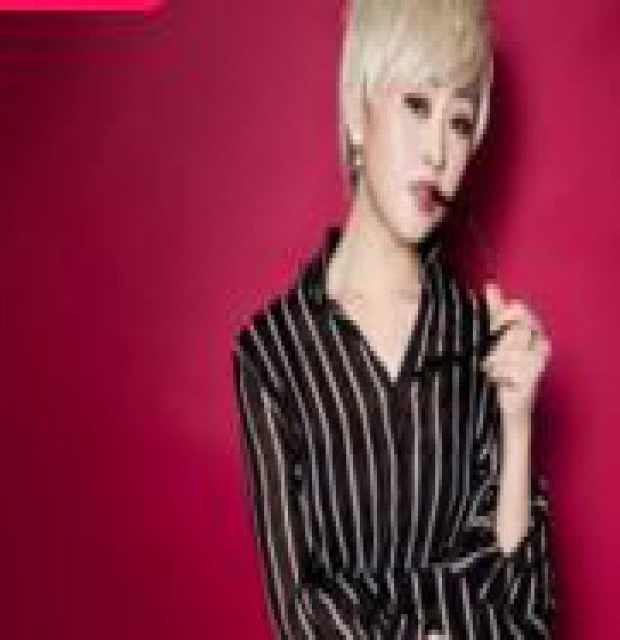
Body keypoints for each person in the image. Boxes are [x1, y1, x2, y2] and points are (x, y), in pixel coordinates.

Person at [231, 0, 557, 637]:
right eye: (416, 104)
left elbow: (524, 607)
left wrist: (516, 421)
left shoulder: (481, 339)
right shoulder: (271, 354)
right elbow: (300, 614)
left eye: (459, 122)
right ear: (357, 114)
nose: (438, 151)